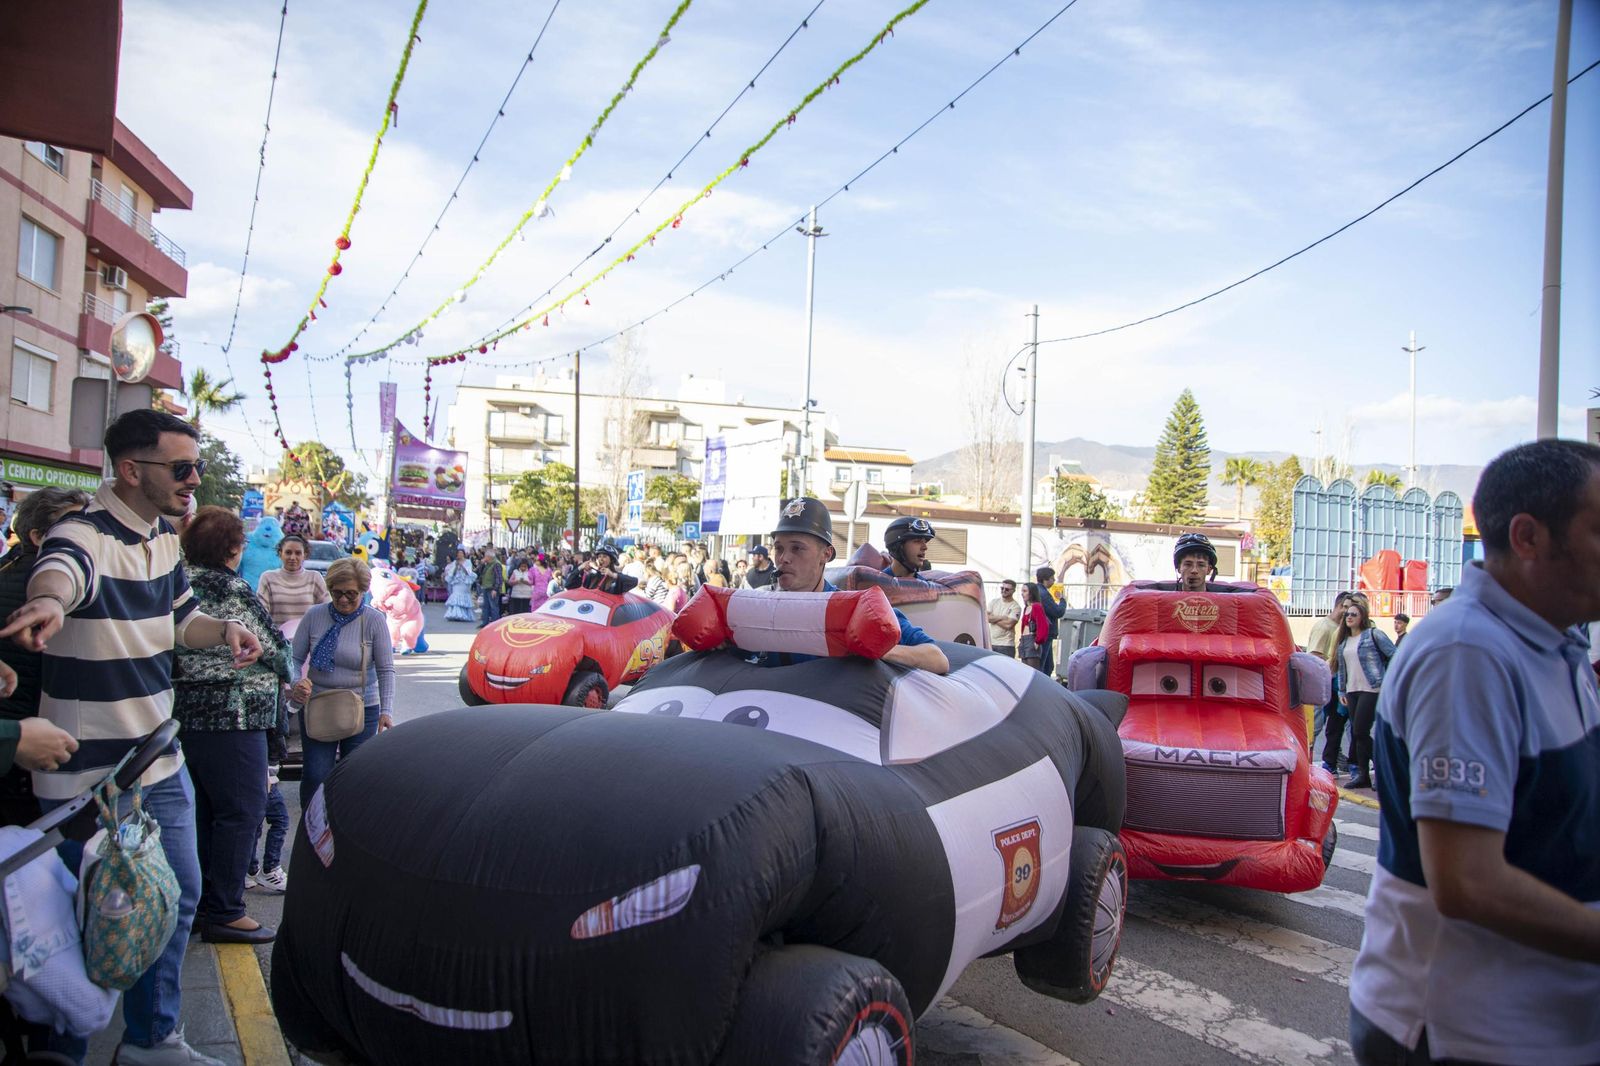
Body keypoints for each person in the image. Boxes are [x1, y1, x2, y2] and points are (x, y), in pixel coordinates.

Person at [0, 408, 263, 1066]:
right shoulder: (81, 534)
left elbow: (182, 620)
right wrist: (51, 604)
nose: (193, 479)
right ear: (130, 469)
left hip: (157, 761)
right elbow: (60, 574)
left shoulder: (164, 539)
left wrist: (221, 631)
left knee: (175, 899)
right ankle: (64, 1049)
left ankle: (152, 1038)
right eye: (181, 468)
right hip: (88, 779)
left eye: (195, 467)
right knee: (89, 922)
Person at [1349, 439, 1600, 1065]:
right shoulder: (1469, 655)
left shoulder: (1558, 647)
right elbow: (1467, 882)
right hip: (1470, 1034)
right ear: (1528, 537)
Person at [173, 507, 292, 946]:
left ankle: (205, 904)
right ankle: (225, 910)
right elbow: (277, 651)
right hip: (234, 715)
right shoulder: (231, 588)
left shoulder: (178, 582)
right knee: (242, 810)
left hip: (186, 716)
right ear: (233, 548)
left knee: (208, 812)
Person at [758, 498, 947, 674]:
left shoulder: (857, 610)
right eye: (779, 548)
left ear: (826, 554)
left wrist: (879, 650)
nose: (784, 559)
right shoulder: (756, 609)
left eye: (797, 548)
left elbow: (936, 658)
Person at [0, 487, 89, 826]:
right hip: (37, 749)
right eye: (72, 526)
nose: (85, 536)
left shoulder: (6, 569)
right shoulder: (68, 595)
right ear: (38, 537)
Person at [289, 559, 395, 809]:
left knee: (353, 776)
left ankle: (345, 828)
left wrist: (385, 711)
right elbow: (293, 658)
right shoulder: (315, 616)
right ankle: (312, 829)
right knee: (316, 775)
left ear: (363, 591)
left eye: (352, 594)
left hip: (362, 708)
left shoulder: (373, 620)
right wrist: (297, 681)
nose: (344, 600)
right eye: (337, 593)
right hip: (318, 705)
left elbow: (386, 669)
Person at [1331, 592, 1395, 790]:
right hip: (1352, 691)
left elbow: (1395, 655)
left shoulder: (1374, 635)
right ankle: (1363, 776)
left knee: (1359, 730)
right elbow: (1342, 669)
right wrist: (1342, 692)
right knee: (1359, 735)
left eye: (1353, 614)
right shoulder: (1343, 643)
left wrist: (1388, 679)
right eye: (1347, 614)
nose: (1349, 617)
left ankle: (1384, 767)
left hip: (1372, 689)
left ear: (1363, 617)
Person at [1307, 592, 1351, 772]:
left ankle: (1335, 756)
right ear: (1339, 605)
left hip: (1335, 685)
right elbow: (1314, 655)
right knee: (1316, 726)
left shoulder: (1339, 627)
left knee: (1336, 723)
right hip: (1321, 684)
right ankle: (1308, 761)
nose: (1348, 612)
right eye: (1346, 607)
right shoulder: (1324, 627)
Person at [255, 533, 330, 632]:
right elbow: (261, 613)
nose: (293, 557)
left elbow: (327, 610)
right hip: (277, 641)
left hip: (308, 641)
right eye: (288, 552)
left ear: (305, 555)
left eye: (298, 553)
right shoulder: (268, 578)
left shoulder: (314, 578)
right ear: (280, 553)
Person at [565, 541, 638, 595]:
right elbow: (568, 585)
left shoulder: (616, 579)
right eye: (599, 556)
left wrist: (612, 575)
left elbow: (634, 582)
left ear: (612, 560)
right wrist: (580, 568)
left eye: (604, 556)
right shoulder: (591, 577)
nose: (601, 559)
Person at [1033, 565, 1065, 676]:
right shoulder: (1044, 594)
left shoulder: (1035, 591)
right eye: (1052, 578)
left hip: (1039, 632)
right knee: (1044, 666)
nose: (1054, 580)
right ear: (1045, 579)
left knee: (1047, 665)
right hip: (1046, 633)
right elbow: (1058, 612)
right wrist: (1062, 600)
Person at [1016, 583, 1049, 671]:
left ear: (1031, 593)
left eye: (1025, 591)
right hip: (1024, 640)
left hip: (1031, 639)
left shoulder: (1036, 606)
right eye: (1022, 591)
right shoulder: (1026, 608)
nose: (1022, 593)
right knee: (1024, 670)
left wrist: (1038, 641)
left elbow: (1043, 625)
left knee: (1032, 670)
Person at [987, 580, 1021, 660]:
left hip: (1006, 645)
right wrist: (1002, 617)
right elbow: (986, 618)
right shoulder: (993, 602)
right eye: (1002, 588)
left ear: (1013, 591)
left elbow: (1008, 625)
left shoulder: (1015, 607)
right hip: (991, 643)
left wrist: (993, 618)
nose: (1003, 591)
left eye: (1007, 589)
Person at [443, 548, 476, 622]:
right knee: (455, 595)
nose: (460, 554)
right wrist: (456, 567)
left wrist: (462, 566)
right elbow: (452, 573)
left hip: (464, 582)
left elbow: (469, 572)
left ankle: (464, 614)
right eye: (458, 553)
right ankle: (455, 613)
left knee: (462, 595)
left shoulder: (468, 562)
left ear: (464, 554)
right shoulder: (455, 562)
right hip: (457, 582)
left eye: (461, 553)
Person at [477, 547, 504, 628]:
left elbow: (499, 578)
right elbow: (479, 572)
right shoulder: (487, 564)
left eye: (485, 556)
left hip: (492, 588)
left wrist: (495, 589)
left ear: (489, 557)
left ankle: (495, 624)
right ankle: (485, 622)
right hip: (486, 587)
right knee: (485, 606)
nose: (484, 558)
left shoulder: (496, 564)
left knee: (494, 607)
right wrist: (481, 564)